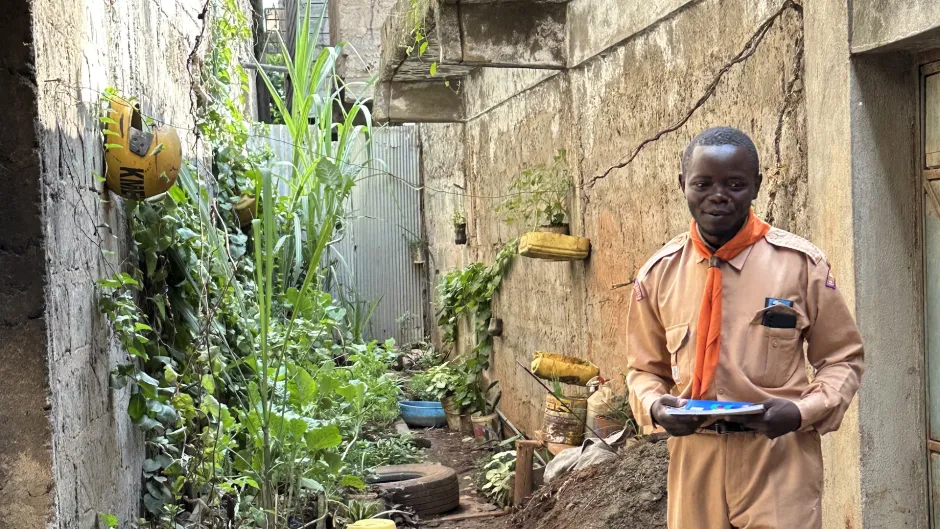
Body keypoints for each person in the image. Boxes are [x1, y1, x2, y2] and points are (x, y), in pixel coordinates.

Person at [626, 127, 865, 529]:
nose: (718, 194)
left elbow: (842, 358)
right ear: (683, 184)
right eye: (703, 183)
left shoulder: (800, 266)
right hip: (694, 458)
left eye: (735, 184)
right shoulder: (657, 276)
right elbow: (643, 370)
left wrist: (801, 411)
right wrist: (654, 405)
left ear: (756, 185)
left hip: (778, 457)